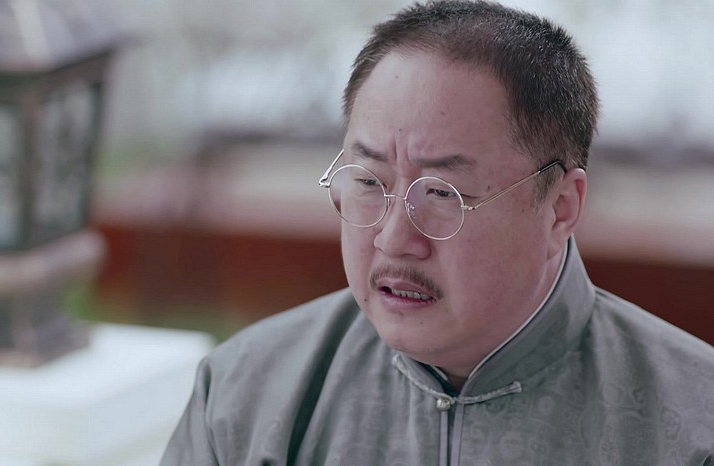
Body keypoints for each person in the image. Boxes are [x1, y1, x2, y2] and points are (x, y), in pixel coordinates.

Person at [160, 1, 714, 464]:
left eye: (443, 194)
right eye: (369, 181)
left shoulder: (694, 428)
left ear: (560, 208)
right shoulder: (243, 398)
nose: (393, 240)